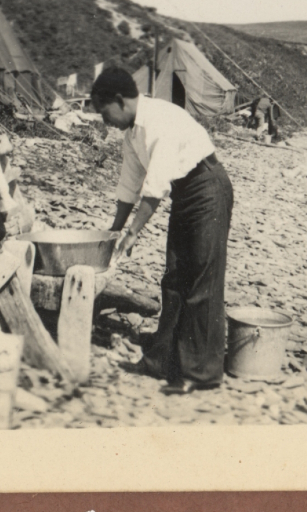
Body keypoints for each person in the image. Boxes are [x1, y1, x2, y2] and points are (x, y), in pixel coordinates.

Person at [90, 67, 234, 393]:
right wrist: (113, 231)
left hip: (207, 188)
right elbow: (130, 184)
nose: (104, 120)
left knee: (201, 281)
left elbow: (155, 186)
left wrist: (133, 233)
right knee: (174, 278)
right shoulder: (131, 133)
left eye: (104, 112)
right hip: (185, 194)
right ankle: (163, 360)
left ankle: (201, 374)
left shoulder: (159, 119)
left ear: (118, 100)